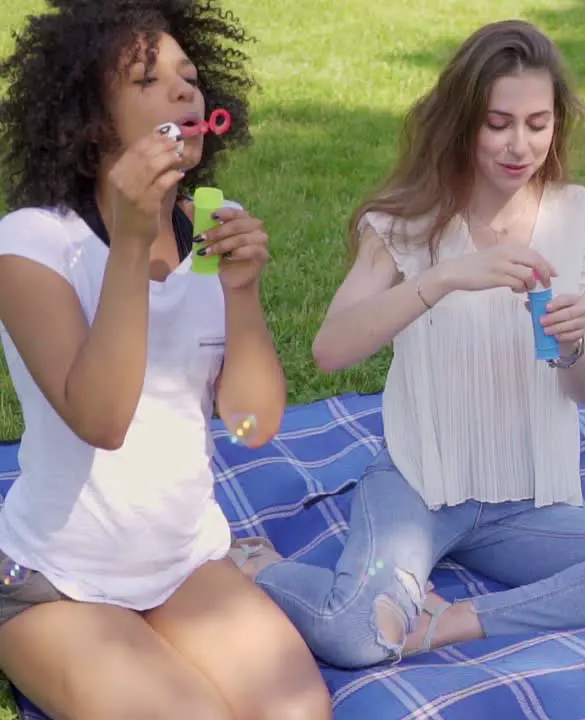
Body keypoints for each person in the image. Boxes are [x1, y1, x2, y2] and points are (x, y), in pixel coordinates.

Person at [234, 19, 585, 670]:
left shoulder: (579, 218)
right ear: (464, 121)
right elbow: (330, 349)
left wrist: (575, 348)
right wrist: (441, 278)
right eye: (498, 123)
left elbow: (584, 386)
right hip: (419, 489)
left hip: (529, 508)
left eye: (538, 123)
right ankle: (262, 568)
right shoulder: (407, 224)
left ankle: (454, 622)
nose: (520, 144)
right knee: (357, 632)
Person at [0, 2, 334, 719]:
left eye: (189, 76)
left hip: (185, 565)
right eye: (149, 80)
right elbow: (102, 418)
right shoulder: (32, 246)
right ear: (90, 125)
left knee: (299, 713)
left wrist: (241, 295)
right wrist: (130, 242)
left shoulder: (212, 224)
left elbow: (252, 423)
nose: (185, 91)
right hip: (54, 578)